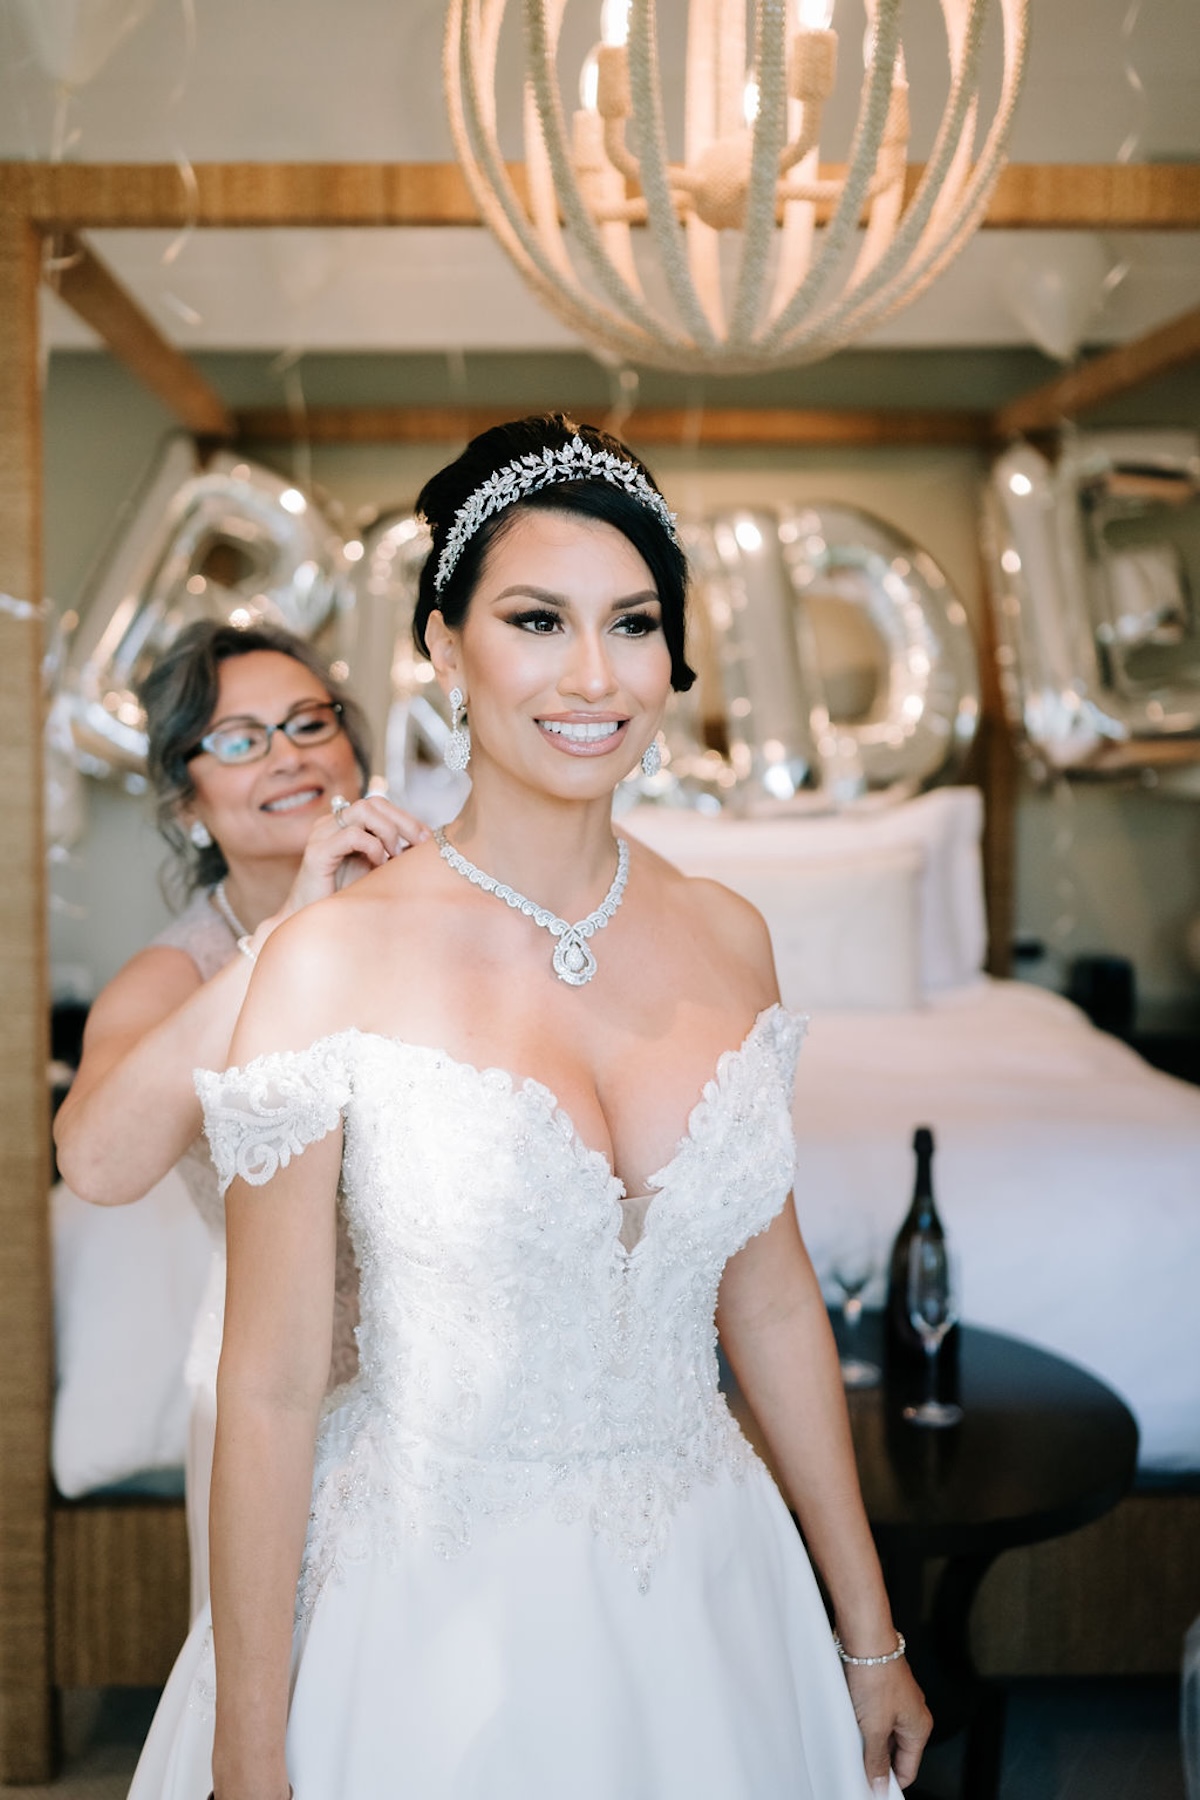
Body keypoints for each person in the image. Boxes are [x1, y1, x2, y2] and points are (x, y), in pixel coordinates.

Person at [129, 415, 931, 1798]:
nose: (591, 675)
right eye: (536, 618)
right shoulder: (331, 958)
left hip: (708, 1590)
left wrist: (868, 1633)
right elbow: (266, 1388)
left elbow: (775, 1302)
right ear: (445, 648)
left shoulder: (732, 938)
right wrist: (250, 1758)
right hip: (427, 1619)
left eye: (633, 624)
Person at [53, 619, 428, 1613]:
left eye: (310, 722)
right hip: (280, 1407)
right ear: (186, 800)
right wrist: (288, 938)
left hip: (466, 1375)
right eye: (240, 739)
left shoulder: (445, 914)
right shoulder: (175, 972)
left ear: (354, 746)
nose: (289, 755)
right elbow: (96, 1162)